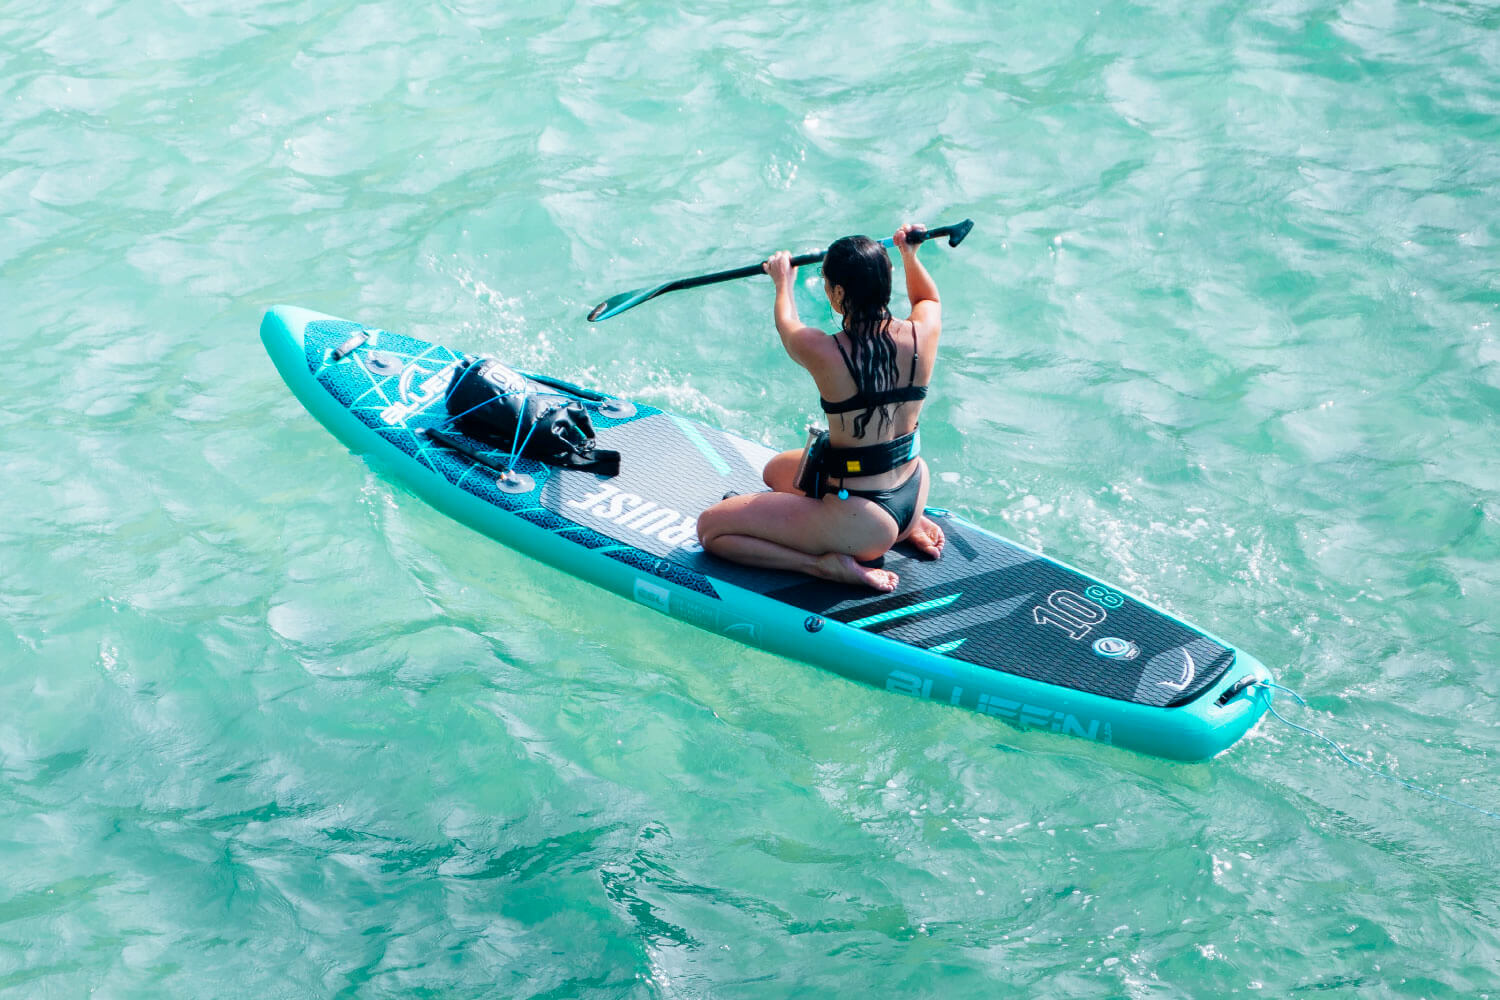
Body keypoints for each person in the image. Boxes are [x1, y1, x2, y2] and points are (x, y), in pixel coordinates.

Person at [696, 224, 946, 592]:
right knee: (776, 472)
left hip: (862, 521)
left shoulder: (826, 350)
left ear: (839, 292)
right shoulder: (921, 332)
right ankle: (905, 527)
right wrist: (910, 254)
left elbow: (787, 325)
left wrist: (782, 280)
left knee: (711, 528)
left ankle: (823, 565)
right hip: (913, 487)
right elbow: (929, 300)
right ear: (887, 280)